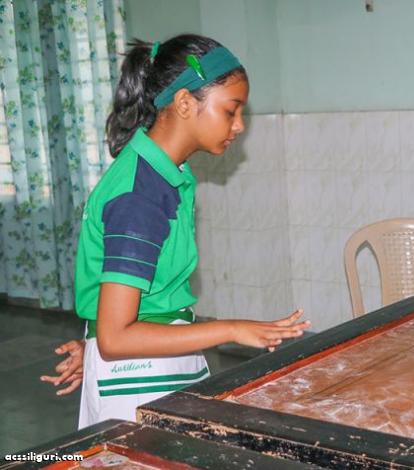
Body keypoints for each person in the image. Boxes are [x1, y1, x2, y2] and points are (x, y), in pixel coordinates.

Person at [43, 34, 310, 429]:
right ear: (185, 103)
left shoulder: (167, 174)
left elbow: (127, 310)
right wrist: (232, 329)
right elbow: (117, 338)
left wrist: (95, 342)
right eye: (231, 111)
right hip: (138, 382)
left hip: (156, 364)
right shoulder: (140, 194)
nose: (239, 126)